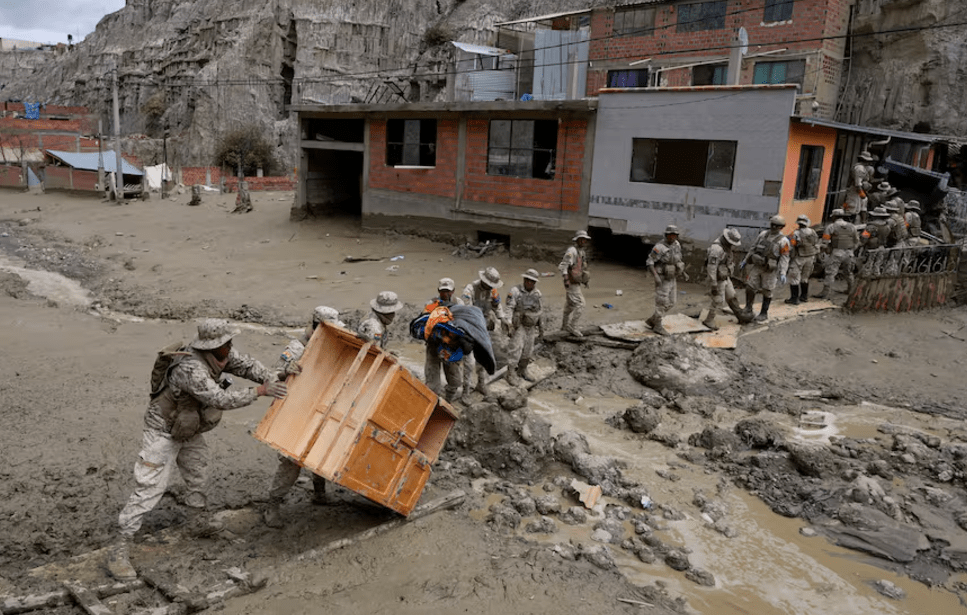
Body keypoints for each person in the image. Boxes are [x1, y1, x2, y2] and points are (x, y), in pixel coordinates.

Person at [108, 319, 287, 581]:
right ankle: (119, 548)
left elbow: (247, 366)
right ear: (211, 346)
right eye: (226, 344)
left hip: (188, 428)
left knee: (198, 473)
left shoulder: (222, 354)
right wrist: (261, 391)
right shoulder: (190, 368)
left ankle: (197, 523)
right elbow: (220, 399)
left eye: (229, 343)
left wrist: (275, 376)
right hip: (162, 431)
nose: (230, 347)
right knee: (150, 487)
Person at [263, 306, 343, 529]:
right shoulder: (297, 348)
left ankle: (319, 493)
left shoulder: (331, 342)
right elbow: (273, 373)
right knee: (291, 460)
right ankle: (272, 506)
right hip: (295, 409)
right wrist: (286, 370)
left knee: (320, 450)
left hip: (319, 405)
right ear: (317, 327)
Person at [461, 267, 507, 399]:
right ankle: (465, 391)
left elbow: (497, 306)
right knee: (469, 362)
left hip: (484, 328)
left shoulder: (492, 291)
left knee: (483, 358)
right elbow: (468, 313)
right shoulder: (470, 290)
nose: (490, 287)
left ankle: (481, 384)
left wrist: (502, 318)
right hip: (470, 328)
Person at [740, 215, 791, 322]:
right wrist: (745, 260)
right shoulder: (763, 234)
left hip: (770, 269)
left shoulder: (784, 241)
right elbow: (753, 248)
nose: (773, 227)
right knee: (750, 286)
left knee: (767, 290)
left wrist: (783, 272)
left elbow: (784, 258)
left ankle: (764, 313)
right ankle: (748, 307)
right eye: (772, 224)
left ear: (781, 227)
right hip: (758, 265)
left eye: (776, 226)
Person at [702, 228, 752, 330]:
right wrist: (713, 284)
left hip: (725, 276)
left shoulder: (727, 247)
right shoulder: (716, 249)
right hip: (717, 278)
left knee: (732, 295)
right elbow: (711, 268)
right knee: (718, 300)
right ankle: (709, 320)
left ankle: (740, 315)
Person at [423, 278, 463, 402]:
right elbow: (423, 322)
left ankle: (449, 400)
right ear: (438, 291)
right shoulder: (431, 304)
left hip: (451, 347)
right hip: (434, 345)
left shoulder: (460, 304)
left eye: (448, 291)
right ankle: (432, 404)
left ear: (453, 291)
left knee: (455, 380)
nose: (445, 294)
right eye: (443, 291)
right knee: (432, 383)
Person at [505, 269, 545, 386]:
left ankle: (523, 369)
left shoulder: (537, 294)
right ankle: (511, 373)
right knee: (516, 348)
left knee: (528, 349)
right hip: (519, 324)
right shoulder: (515, 291)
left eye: (531, 281)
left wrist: (541, 328)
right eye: (527, 280)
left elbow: (540, 311)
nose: (529, 282)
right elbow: (509, 308)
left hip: (531, 325)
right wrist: (509, 324)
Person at [645, 225, 688, 336]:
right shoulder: (659, 247)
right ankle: (658, 326)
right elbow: (650, 262)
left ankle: (653, 319)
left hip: (672, 276)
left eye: (674, 235)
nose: (672, 237)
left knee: (672, 302)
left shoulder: (677, 245)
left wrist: (683, 272)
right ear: (666, 235)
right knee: (661, 302)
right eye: (670, 235)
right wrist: (655, 276)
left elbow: (678, 260)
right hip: (662, 277)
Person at [814, 209, 859, 299]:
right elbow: (856, 241)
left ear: (834, 217)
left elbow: (825, 242)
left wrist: (826, 250)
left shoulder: (831, 227)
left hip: (837, 252)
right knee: (848, 272)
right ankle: (851, 290)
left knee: (830, 272)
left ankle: (825, 293)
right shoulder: (852, 226)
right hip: (849, 253)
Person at [559, 230, 590, 337]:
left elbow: (581, 268)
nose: (583, 241)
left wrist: (585, 281)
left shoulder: (581, 252)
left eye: (585, 240)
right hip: (571, 282)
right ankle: (573, 326)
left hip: (576, 282)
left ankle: (564, 325)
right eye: (581, 239)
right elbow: (563, 266)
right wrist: (566, 280)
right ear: (577, 240)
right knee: (581, 304)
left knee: (569, 306)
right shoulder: (572, 251)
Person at [785, 214, 820, 305]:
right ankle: (804, 296)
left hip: (799, 257)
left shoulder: (795, 233)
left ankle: (794, 299)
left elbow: (791, 245)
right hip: (811, 257)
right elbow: (816, 244)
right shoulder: (813, 232)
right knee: (805, 278)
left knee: (794, 277)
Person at [843, 151, 874, 223]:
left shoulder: (862, 167)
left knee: (858, 208)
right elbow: (858, 184)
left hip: (858, 191)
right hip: (855, 191)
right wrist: (862, 195)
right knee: (852, 209)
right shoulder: (859, 168)